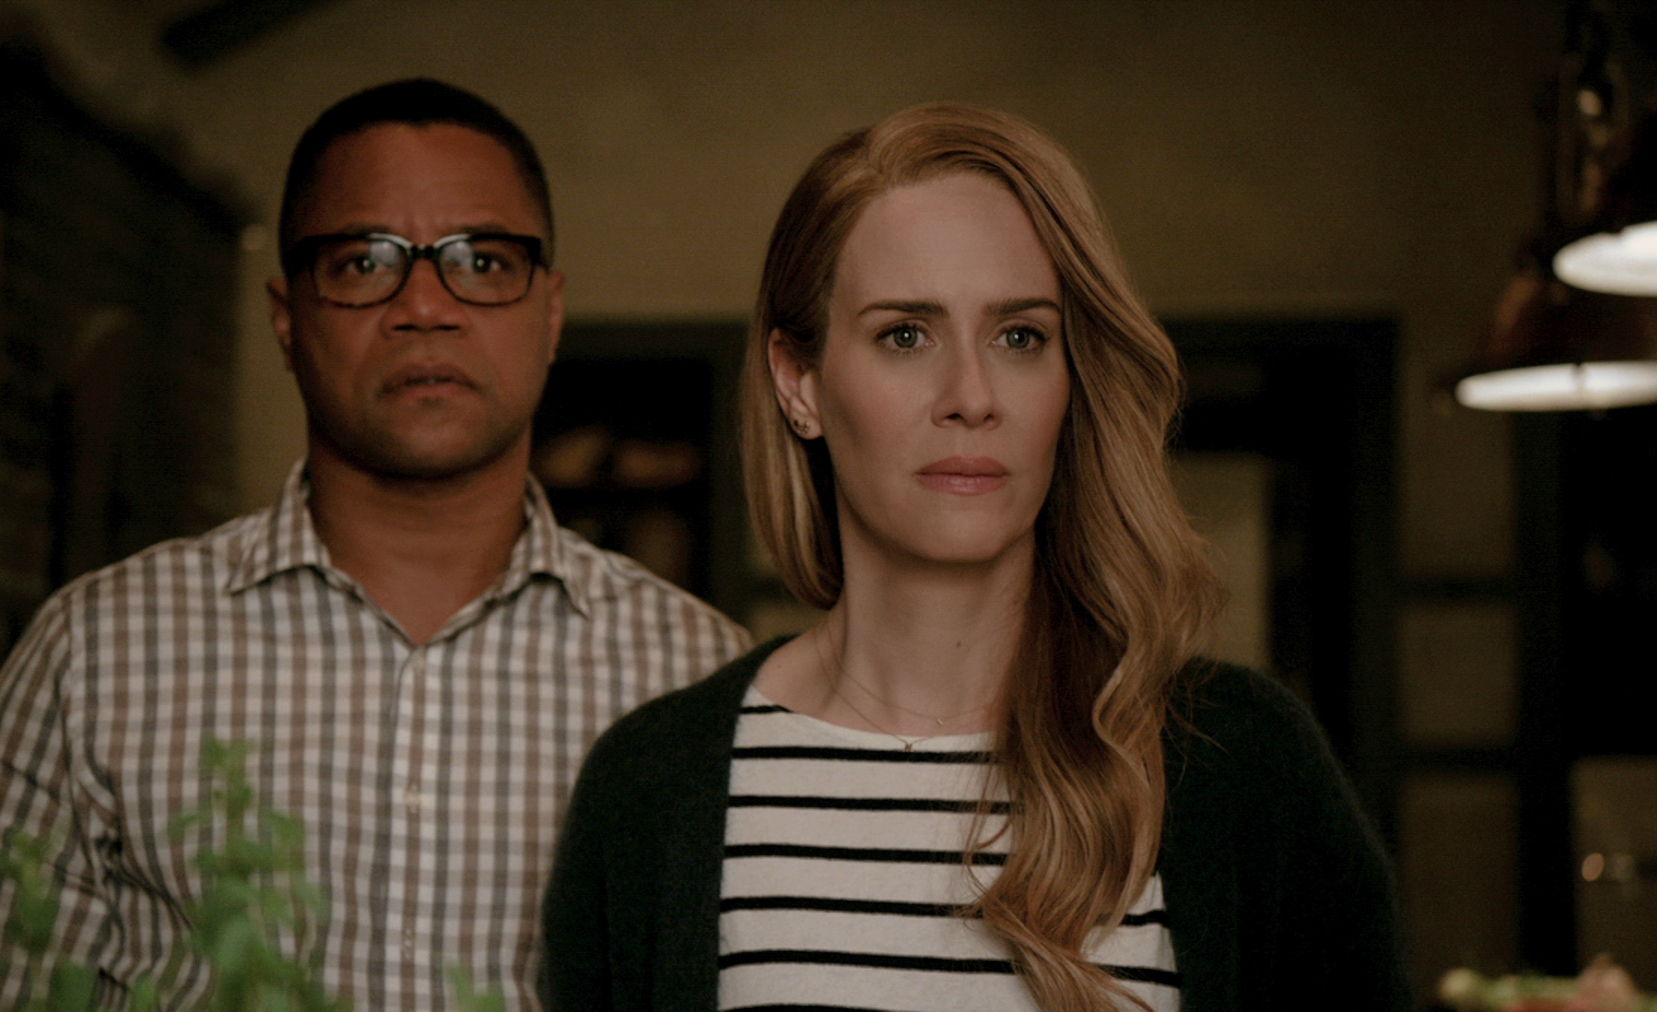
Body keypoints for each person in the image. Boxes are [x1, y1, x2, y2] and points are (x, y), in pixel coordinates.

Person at [0, 79, 748, 1012]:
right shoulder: (99, 648)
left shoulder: (697, 674)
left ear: (551, 312)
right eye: (364, 261)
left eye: (485, 261)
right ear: (287, 317)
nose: (426, 306)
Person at [538, 103, 1410, 1012]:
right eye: (905, 335)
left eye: (1020, 336)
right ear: (800, 382)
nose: (972, 395)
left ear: (1070, 378)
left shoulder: (1239, 761)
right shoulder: (651, 787)